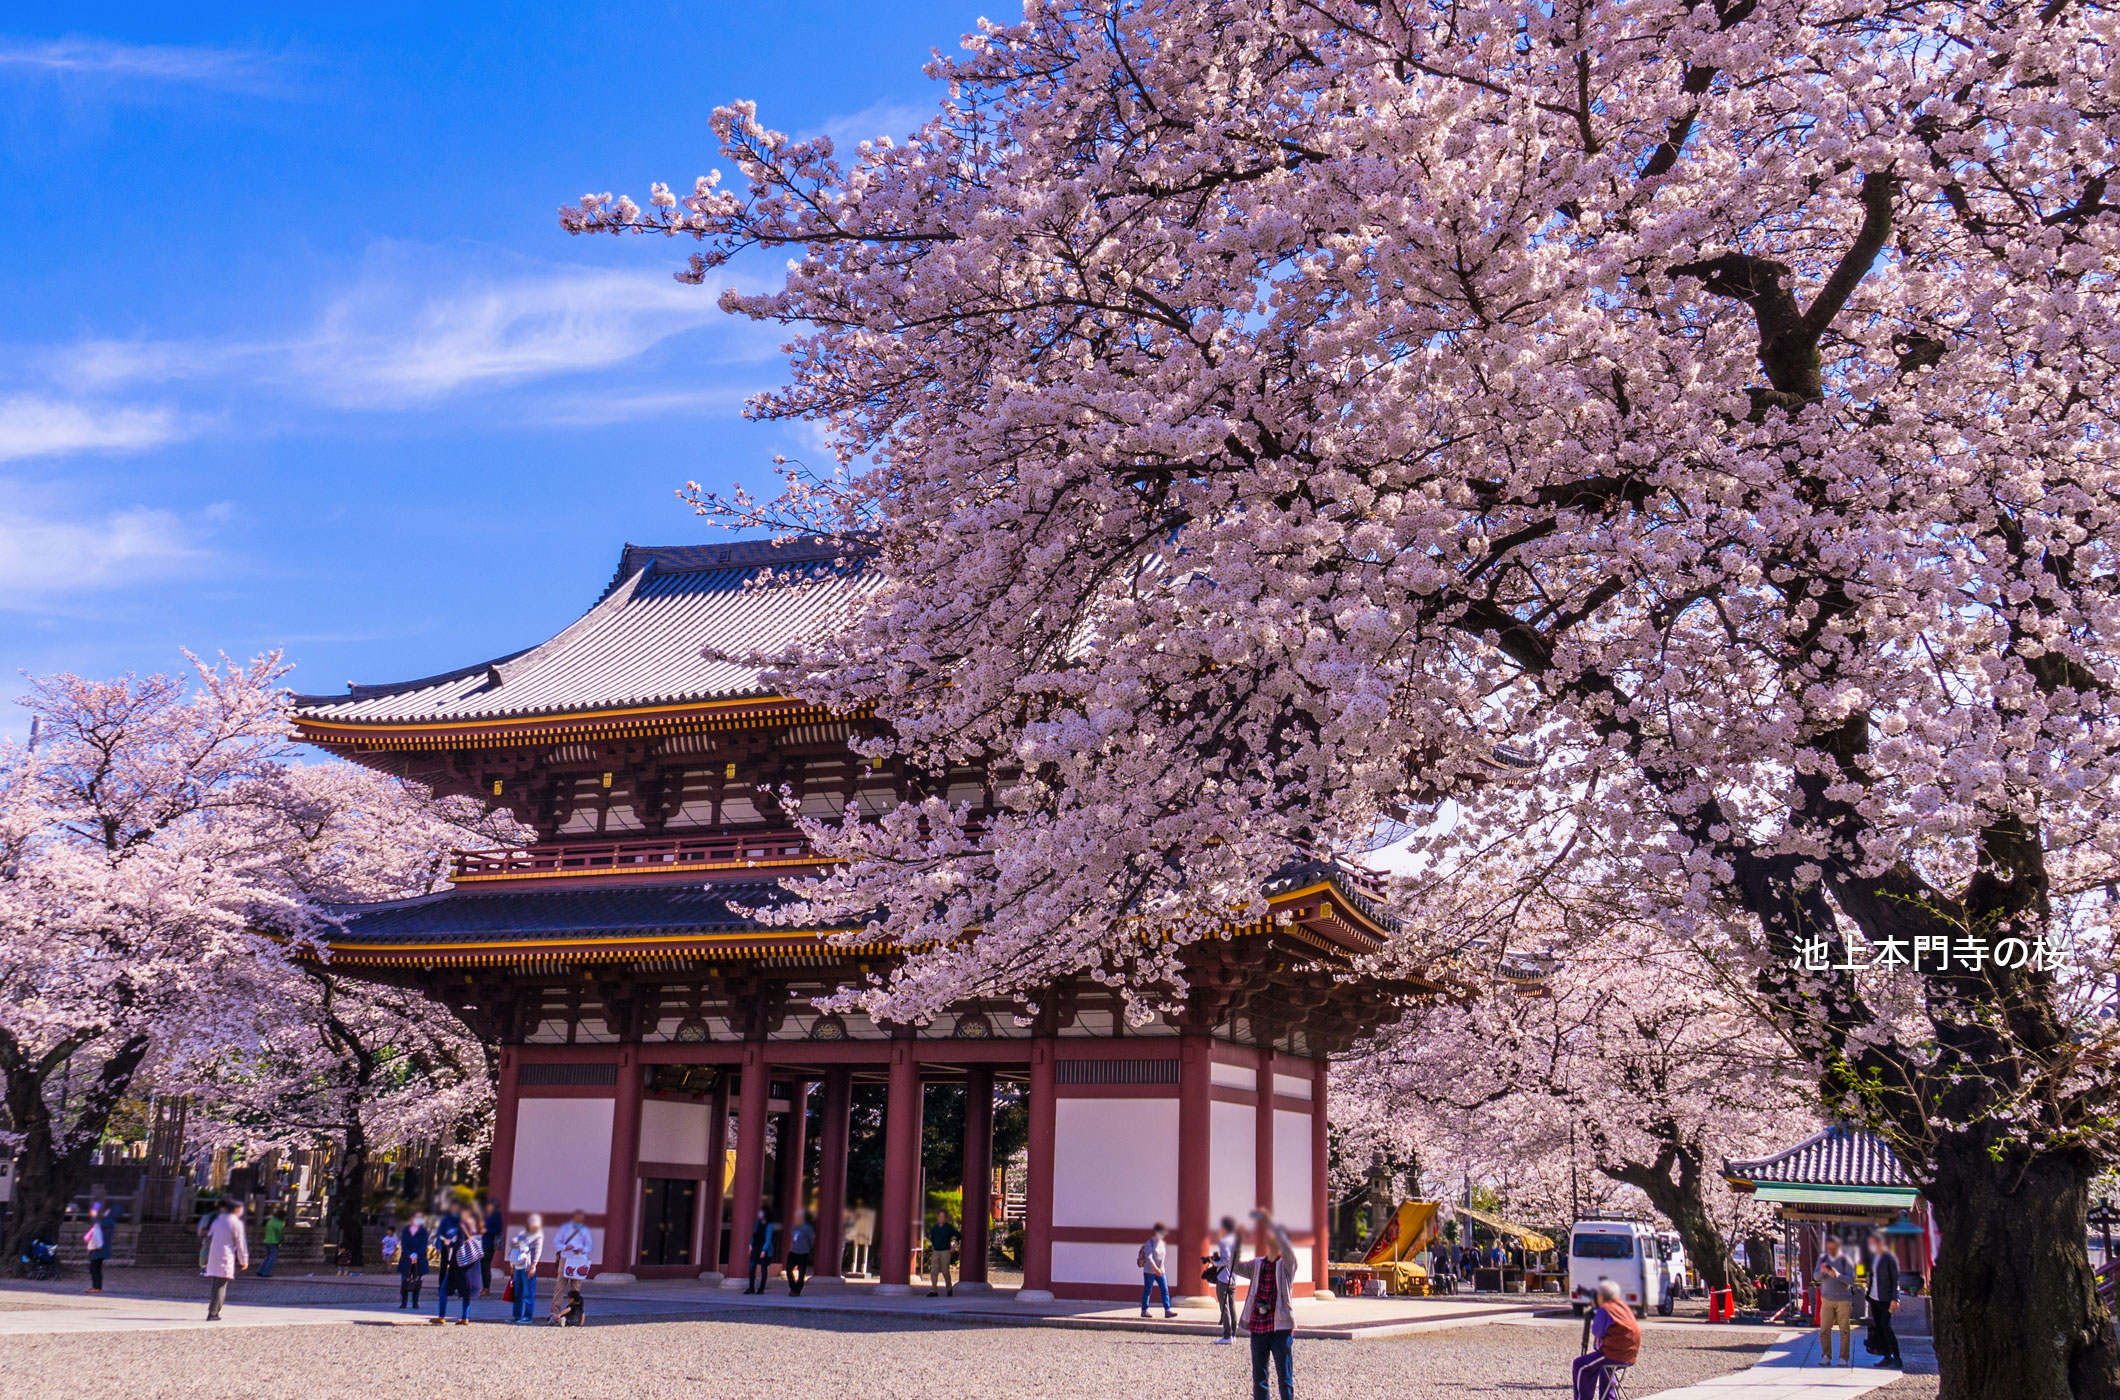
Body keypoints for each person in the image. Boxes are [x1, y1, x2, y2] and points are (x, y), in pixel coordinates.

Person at [1235, 1212, 1297, 1400]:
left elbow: (1288, 1252)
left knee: (1285, 1378)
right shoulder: (1257, 1264)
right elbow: (1235, 1266)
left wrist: (1270, 1222)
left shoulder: (1287, 1266)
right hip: (1258, 1326)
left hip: (1281, 1328)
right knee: (1259, 1378)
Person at [1574, 1279, 1640, 1400]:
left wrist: (1596, 1310)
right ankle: (1608, 1398)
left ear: (1601, 1296)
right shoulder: (1623, 1306)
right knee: (1603, 1367)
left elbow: (1597, 1331)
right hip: (1629, 1356)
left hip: (1613, 1354)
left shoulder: (1606, 1309)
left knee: (1580, 1365)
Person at [432, 1206, 482, 1325]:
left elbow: (459, 1243)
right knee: (467, 1290)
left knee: (444, 1288)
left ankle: (442, 1315)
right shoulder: (475, 1226)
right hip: (471, 1262)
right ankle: (465, 1317)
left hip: (459, 1263)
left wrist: (449, 1243)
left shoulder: (461, 1225)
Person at [203, 1199, 249, 1321]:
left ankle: (212, 1309)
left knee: (216, 1283)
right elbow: (240, 1243)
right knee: (221, 1284)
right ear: (236, 1210)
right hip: (226, 1254)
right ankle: (213, 1312)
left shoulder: (218, 1220)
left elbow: (209, 1235)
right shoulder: (236, 1223)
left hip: (214, 1254)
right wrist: (243, 1260)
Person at [1815, 1235, 1857, 1366]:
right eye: (1829, 1248)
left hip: (1843, 1299)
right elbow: (1815, 1277)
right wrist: (1822, 1272)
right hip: (1827, 1298)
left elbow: (1851, 1280)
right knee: (1824, 1329)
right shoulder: (1823, 1258)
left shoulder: (1846, 1260)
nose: (1831, 1250)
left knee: (1844, 1329)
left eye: (1834, 1248)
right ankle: (1826, 1355)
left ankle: (1844, 1357)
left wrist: (1837, 1275)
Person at [1864, 1231, 1903, 1369]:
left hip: (1886, 1298)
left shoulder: (1889, 1258)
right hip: (1874, 1298)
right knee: (1879, 1328)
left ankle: (1897, 1357)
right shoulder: (1873, 1258)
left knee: (1887, 1327)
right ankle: (1886, 1356)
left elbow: (1895, 1279)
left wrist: (1895, 1298)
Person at [551, 1209, 593, 1323]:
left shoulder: (585, 1230)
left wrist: (583, 1250)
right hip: (566, 1258)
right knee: (560, 1286)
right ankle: (555, 1312)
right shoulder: (565, 1228)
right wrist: (565, 1247)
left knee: (576, 1288)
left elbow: (589, 1246)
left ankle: (574, 1312)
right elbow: (556, 1242)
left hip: (579, 1259)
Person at [1211, 1215, 1244, 1344]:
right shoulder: (1236, 1241)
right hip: (1234, 1278)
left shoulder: (1223, 1241)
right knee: (1232, 1306)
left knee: (1224, 1306)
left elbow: (1226, 1260)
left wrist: (1214, 1262)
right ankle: (1234, 1335)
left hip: (1223, 1278)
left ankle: (1227, 1335)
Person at [509, 1214, 545, 1325]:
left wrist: (533, 1267)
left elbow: (537, 1253)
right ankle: (516, 1315)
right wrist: (512, 1265)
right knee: (517, 1293)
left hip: (527, 1267)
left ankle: (527, 1316)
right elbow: (512, 1247)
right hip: (517, 1266)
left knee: (528, 1293)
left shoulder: (538, 1236)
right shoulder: (522, 1234)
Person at [1138, 1222, 1175, 1318]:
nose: (1163, 1235)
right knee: (1148, 1290)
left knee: (1165, 1290)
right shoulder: (1149, 1243)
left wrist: (1161, 1269)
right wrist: (1155, 1268)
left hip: (1161, 1270)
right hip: (1150, 1271)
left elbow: (1163, 1256)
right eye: (1162, 1232)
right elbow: (1149, 1257)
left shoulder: (1162, 1243)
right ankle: (1144, 1310)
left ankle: (1167, 1310)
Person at [397, 1213, 430, 1309]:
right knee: (404, 1281)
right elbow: (404, 1244)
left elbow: (424, 1245)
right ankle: (404, 1302)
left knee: (417, 1281)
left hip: (419, 1259)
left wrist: (416, 1255)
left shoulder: (423, 1231)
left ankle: (415, 1302)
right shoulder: (406, 1230)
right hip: (406, 1259)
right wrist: (410, 1255)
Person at [744, 1206, 778, 1294]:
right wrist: (750, 1244)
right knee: (752, 1267)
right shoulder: (758, 1222)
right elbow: (754, 1234)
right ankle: (751, 1287)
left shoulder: (770, 1224)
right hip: (755, 1246)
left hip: (764, 1248)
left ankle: (761, 1288)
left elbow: (768, 1239)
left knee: (763, 1268)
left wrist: (764, 1250)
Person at [926, 1209, 959, 1297]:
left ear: (945, 1218)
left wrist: (954, 1246)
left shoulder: (949, 1228)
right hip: (936, 1251)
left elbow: (959, 1235)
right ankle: (934, 1290)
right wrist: (933, 1246)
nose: (940, 1218)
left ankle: (949, 1288)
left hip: (945, 1251)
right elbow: (932, 1237)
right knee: (933, 1271)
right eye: (939, 1216)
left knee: (945, 1271)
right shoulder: (935, 1228)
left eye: (942, 1216)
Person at [83, 1201, 114, 1294]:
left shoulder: (106, 1223)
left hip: (99, 1249)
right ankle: (98, 1286)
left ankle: (96, 1286)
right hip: (103, 1249)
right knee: (97, 1268)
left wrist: (96, 1206)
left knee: (94, 1267)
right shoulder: (110, 1222)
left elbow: (95, 1220)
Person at [786, 1210, 816, 1297]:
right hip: (793, 1251)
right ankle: (793, 1287)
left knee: (801, 1272)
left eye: (798, 1218)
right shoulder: (794, 1227)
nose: (796, 1219)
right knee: (788, 1269)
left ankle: (797, 1291)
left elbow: (811, 1241)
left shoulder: (807, 1228)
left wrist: (808, 1248)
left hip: (803, 1252)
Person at [481, 1197, 505, 1295]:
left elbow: (498, 1230)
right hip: (481, 1243)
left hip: (489, 1244)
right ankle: (482, 1286)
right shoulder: (485, 1215)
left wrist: (486, 1230)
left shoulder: (496, 1216)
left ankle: (486, 1288)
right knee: (481, 1267)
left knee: (485, 1265)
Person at [258, 1210, 285, 1278]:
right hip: (274, 1241)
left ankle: (260, 1270)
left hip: (267, 1240)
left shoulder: (270, 1221)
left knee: (268, 1256)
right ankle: (266, 1272)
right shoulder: (279, 1223)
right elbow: (279, 1233)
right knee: (272, 1257)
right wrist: (280, 1240)